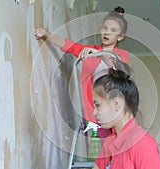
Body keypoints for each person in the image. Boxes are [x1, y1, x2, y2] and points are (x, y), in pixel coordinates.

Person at [34, 6, 129, 138]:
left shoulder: (122, 55)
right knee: (98, 148)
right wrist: (45, 34)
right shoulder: (90, 50)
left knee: (114, 145)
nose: (107, 33)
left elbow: (119, 70)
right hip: (94, 110)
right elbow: (68, 45)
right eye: (105, 28)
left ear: (120, 36)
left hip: (113, 111)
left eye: (113, 30)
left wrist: (100, 54)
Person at [91, 61, 160, 169]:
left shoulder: (142, 144)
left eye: (98, 105)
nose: (95, 112)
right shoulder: (111, 140)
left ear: (116, 104)